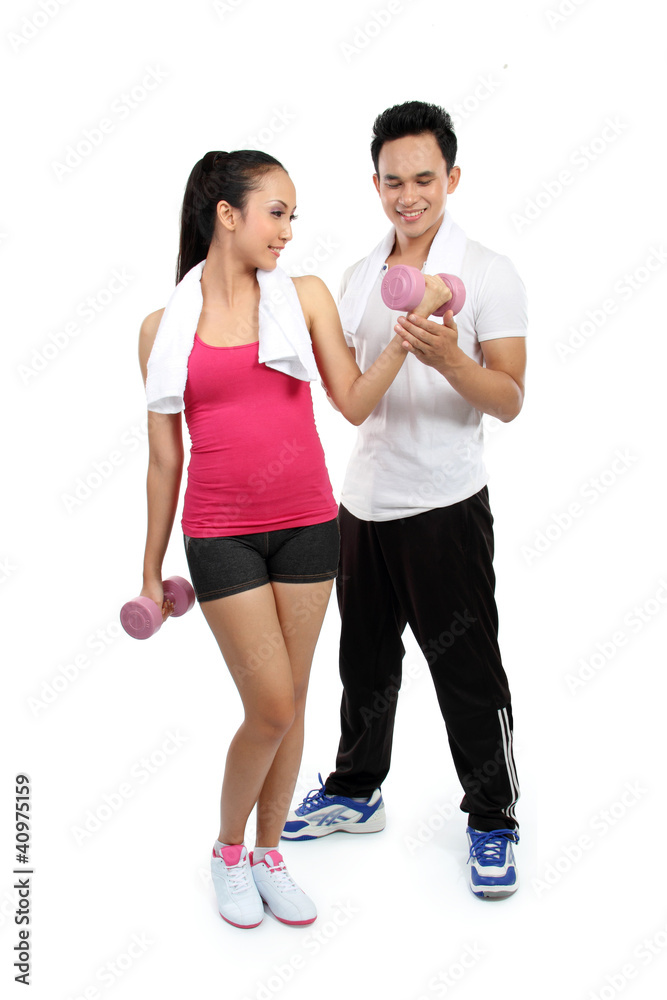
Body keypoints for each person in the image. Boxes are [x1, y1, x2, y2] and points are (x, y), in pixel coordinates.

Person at [136, 149, 453, 929]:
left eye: (292, 216)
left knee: (294, 699)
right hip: (221, 536)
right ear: (227, 214)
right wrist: (149, 572)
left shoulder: (302, 296)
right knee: (270, 704)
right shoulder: (160, 329)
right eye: (275, 213)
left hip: (309, 522)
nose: (287, 230)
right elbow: (164, 460)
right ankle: (227, 851)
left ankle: (268, 853)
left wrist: (405, 340)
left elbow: (352, 401)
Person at [282, 102, 528, 901]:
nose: (408, 195)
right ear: (376, 185)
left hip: (445, 504)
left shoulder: (487, 271)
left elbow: (509, 398)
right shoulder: (359, 278)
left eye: (423, 178)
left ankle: (492, 818)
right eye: (393, 181)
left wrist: (451, 360)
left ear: (451, 178)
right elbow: (350, 392)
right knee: (363, 662)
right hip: (363, 503)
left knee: (466, 669)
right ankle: (356, 790)